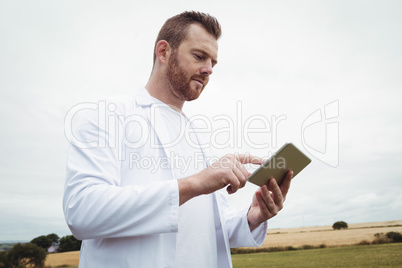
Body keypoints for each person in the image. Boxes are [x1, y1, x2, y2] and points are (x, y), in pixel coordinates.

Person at [63, 11, 293, 268]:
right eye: (199, 56)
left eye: (213, 63)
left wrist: (254, 217)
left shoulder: (200, 138)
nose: (208, 70)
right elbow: (82, 212)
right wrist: (196, 183)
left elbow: (208, 231)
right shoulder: (109, 115)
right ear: (163, 52)